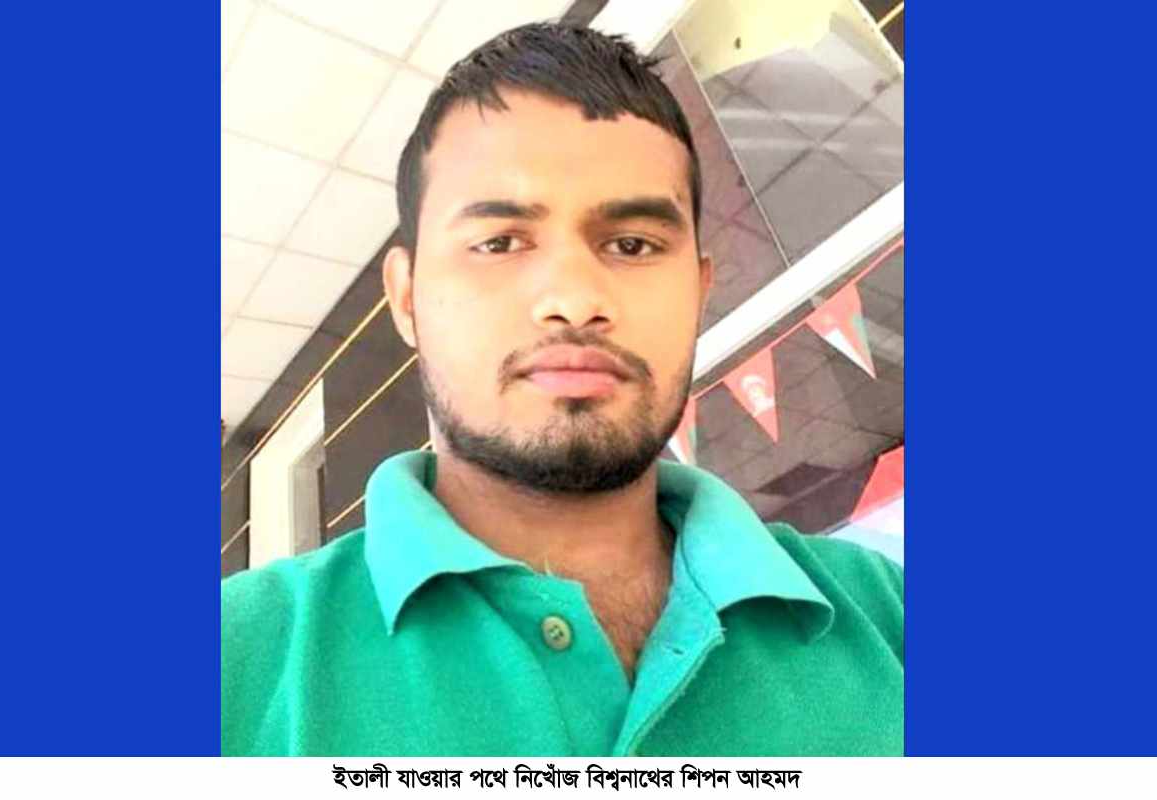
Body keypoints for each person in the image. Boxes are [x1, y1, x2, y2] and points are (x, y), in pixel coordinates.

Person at [221, 21, 903, 757]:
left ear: (699, 290)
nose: (575, 299)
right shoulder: (232, 659)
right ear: (407, 297)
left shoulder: (888, 611)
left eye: (633, 244)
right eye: (500, 242)